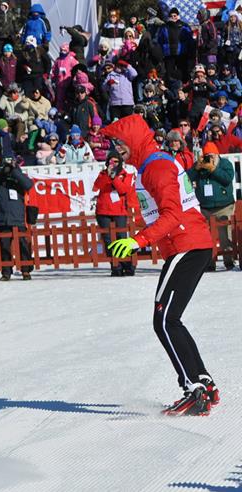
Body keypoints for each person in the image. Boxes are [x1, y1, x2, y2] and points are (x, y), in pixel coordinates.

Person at [100, 114, 219, 416]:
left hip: (186, 244)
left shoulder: (156, 166)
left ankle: (193, 388)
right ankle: (203, 381)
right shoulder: (148, 166)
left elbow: (172, 215)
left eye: (120, 142)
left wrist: (137, 241)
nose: (117, 148)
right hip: (188, 244)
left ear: (135, 139)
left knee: (164, 320)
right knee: (170, 319)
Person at [187, 142, 236, 271]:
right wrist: (196, 168)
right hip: (205, 208)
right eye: (207, 155)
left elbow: (227, 178)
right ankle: (209, 262)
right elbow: (186, 179)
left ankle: (229, 261)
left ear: (217, 154)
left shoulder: (225, 164)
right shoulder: (200, 165)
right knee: (207, 238)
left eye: (212, 155)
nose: (210, 158)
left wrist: (213, 169)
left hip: (224, 206)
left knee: (225, 236)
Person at [93, 151, 136, 276]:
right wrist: (107, 175)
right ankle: (115, 265)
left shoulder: (125, 175)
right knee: (108, 240)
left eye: (116, 161)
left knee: (122, 238)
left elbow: (123, 190)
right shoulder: (102, 174)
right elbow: (97, 186)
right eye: (112, 161)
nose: (114, 164)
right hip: (103, 210)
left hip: (119, 211)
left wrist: (114, 178)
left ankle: (127, 265)